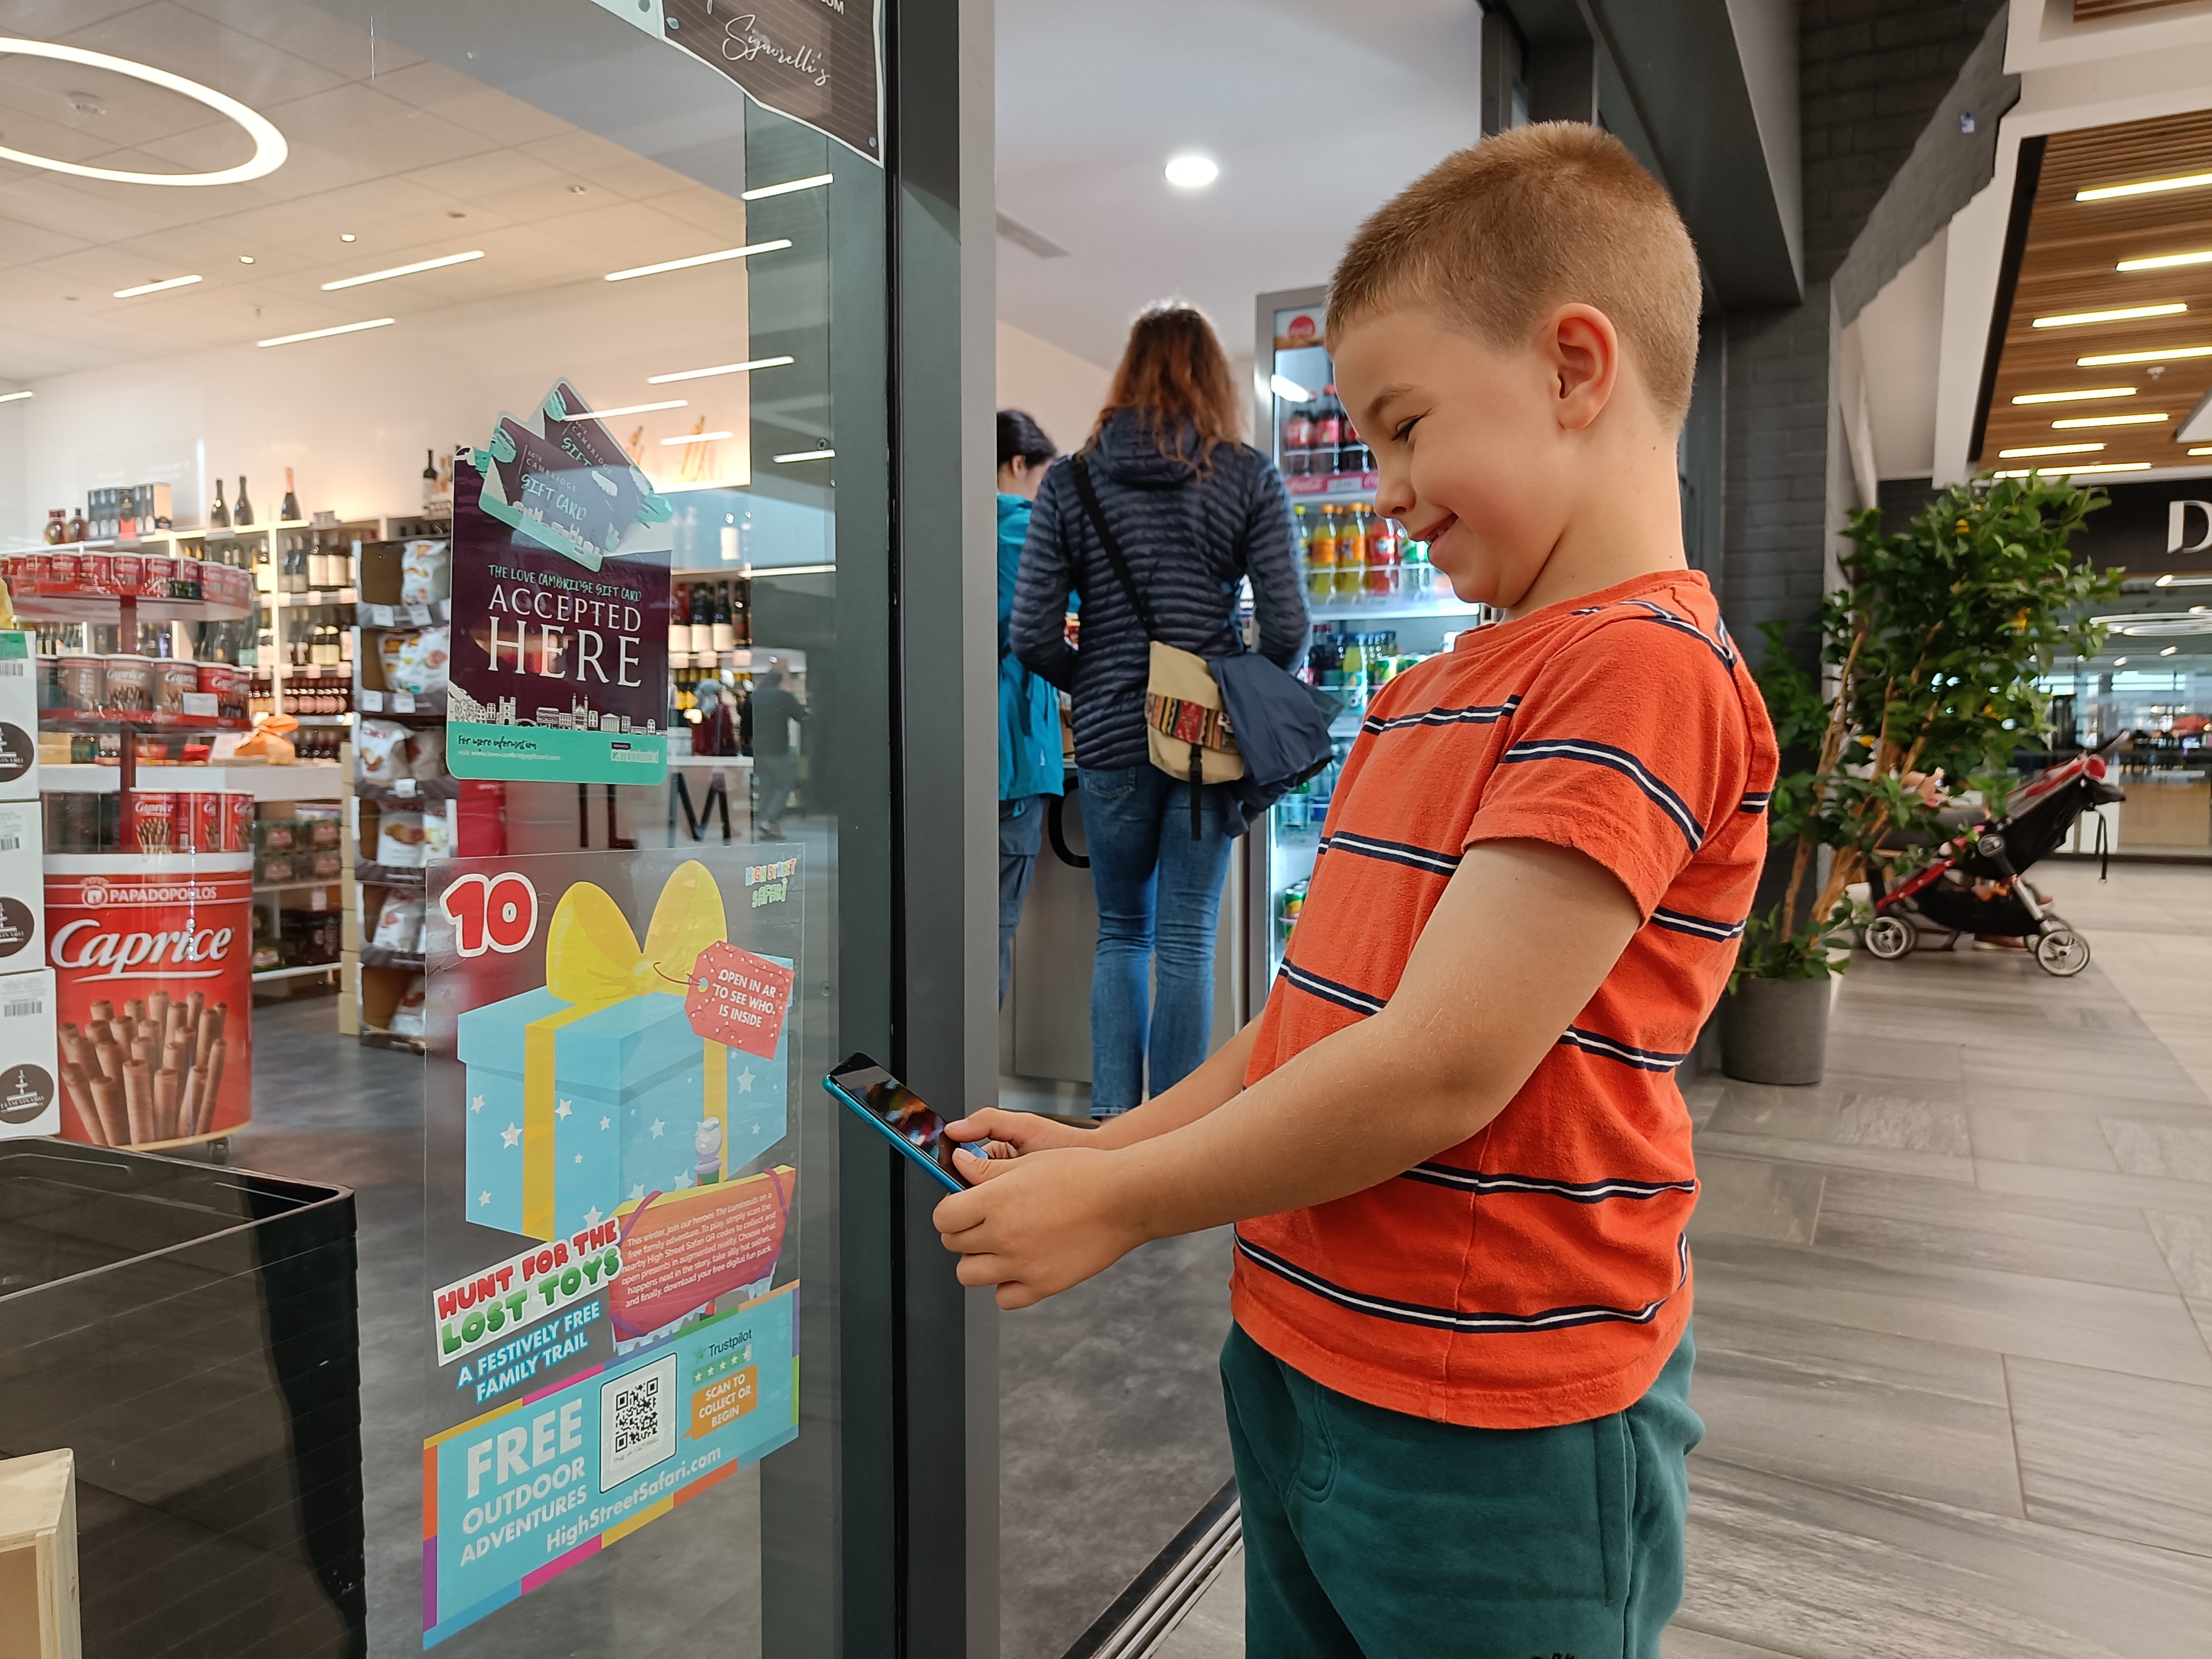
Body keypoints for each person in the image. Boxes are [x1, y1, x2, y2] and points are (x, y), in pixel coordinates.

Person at [941, 125, 1778, 1658]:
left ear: (1576, 367)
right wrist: (1108, 1141)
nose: (1384, 491)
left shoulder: (1638, 672)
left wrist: (1120, 1203)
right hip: (1303, 1353)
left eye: (1401, 427)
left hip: (1496, 1416)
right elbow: (1317, 1026)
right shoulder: (1435, 689)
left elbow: (1440, 1064)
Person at [1010, 305, 1307, 1115]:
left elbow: (1032, 633)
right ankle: (1174, 1134)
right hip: (1207, 736)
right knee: (1186, 937)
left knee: (1122, 932)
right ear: (1213, 377)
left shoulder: (1069, 482)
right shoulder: (1247, 476)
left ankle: (1113, 1120)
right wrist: (1239, 692)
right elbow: (1289, 626)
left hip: (1109, 736)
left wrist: (1099, 684)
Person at [997, 409, 1067, 1005]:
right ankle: (972, 1090)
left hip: (963, 764)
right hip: (1013, 762)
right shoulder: (1023, 528)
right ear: (1017, 465)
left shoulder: (947, 530)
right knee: (991, 934)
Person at [746, 664, 806, 838]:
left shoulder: (754, 697)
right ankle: (770, 820)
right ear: (779, 681)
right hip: (777, 749)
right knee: (785, 783)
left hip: (758, 749)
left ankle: (765, 822)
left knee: (766, 787)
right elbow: (800, 716)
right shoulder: (783, 697)